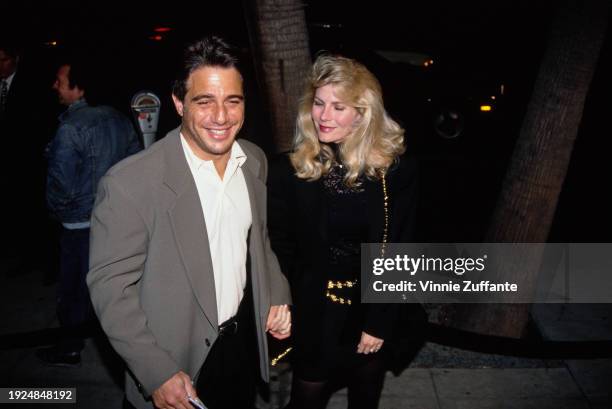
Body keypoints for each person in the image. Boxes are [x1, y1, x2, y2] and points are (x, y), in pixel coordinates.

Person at [87, 36, 292, 409]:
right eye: (204, 101)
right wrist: (155, 371)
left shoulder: (254, 161)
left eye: (233, 101)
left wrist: (276, 292)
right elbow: (110, 289)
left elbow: (259, 241)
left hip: (242, 342)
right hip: (175, 358)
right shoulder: (131, 183)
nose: (221, 116)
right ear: (179, 103)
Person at [268, 54, 421, 409]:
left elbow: (401, 247)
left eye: (339, 107)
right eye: (319, 104)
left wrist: (380, 321)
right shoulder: (289, 170)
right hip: (314, 307)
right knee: (307, 394)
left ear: (362, 112)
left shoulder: (395, 171)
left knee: (365, 394)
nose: (324, 116)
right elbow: (279, 247)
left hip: (370, 303)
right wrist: (281, 302)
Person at [37, 57, 142, 366]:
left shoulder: (70, 128)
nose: (54, 85)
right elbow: (135, 166)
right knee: (113, 288)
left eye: (60, 81)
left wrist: (57, 216)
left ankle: (69, 348)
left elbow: (61, 186)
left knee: (72, 292)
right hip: (115, 223)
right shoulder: (119, 119)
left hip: (78, 226)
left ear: (79, 88)